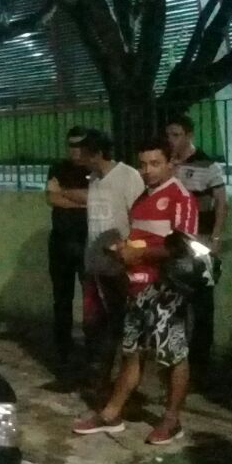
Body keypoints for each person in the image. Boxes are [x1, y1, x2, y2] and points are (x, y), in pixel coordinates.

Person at [72, 138, 198, 445]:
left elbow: (184, 248)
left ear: (171, 163)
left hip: (166, 290)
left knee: (173, 356)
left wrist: (138, 254)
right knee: (131, 353)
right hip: (137, 286)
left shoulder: (180, 198)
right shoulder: (143, 198)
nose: (147, 170)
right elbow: (143, 239)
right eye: (143, 164)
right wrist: (125, 250)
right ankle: (111, 414)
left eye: (155, 163)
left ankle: (171, 420)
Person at [80, 130, 145, 387]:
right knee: (99, 324)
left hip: (120, 264)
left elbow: (138, 217)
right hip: (98, 265)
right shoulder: (95, 179)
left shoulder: (128, 176)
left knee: (122, 327)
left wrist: (129, 252)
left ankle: (120, 382)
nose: (80, 158)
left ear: (97, 153)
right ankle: (104, 379)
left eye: (84, 153)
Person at [167, 114, 228, 378]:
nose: (171, 140)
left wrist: (215, 237)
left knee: (202, 305)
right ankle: (176, 360)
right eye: (169, 135)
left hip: (199, 241)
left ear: (189, 135)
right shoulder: (167, 164)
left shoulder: (207, 165)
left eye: (176, 135)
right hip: (173, 242)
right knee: (174, 303)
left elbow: (221, 203)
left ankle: (201, 364)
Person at [45, 127, 92, 365]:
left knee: (91, 298)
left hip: (87, 241)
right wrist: (83, 200)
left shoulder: (95, 169)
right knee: (61, 298)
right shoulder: (58, 167)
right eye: (71, 145)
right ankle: (62, 348)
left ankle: (93, 348)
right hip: (61, 241)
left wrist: (64, 192)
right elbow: (51, 198)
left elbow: (95, 199)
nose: (75, 150)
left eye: (80, 145)